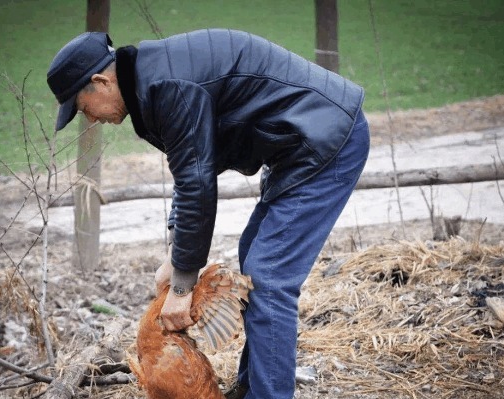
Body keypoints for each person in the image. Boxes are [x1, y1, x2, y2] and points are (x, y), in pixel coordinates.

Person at [47, 29, 370, 399]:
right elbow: (191, 168)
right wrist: (176, 258)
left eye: (81, 106)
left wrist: (183, 285)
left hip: (327, 135)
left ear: (100, 81)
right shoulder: (151, 84)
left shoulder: (166, 87)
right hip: (300, 141)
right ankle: (253, 386)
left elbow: (197, 182)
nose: (88, 117)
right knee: (255, 259)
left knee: (270, 276)